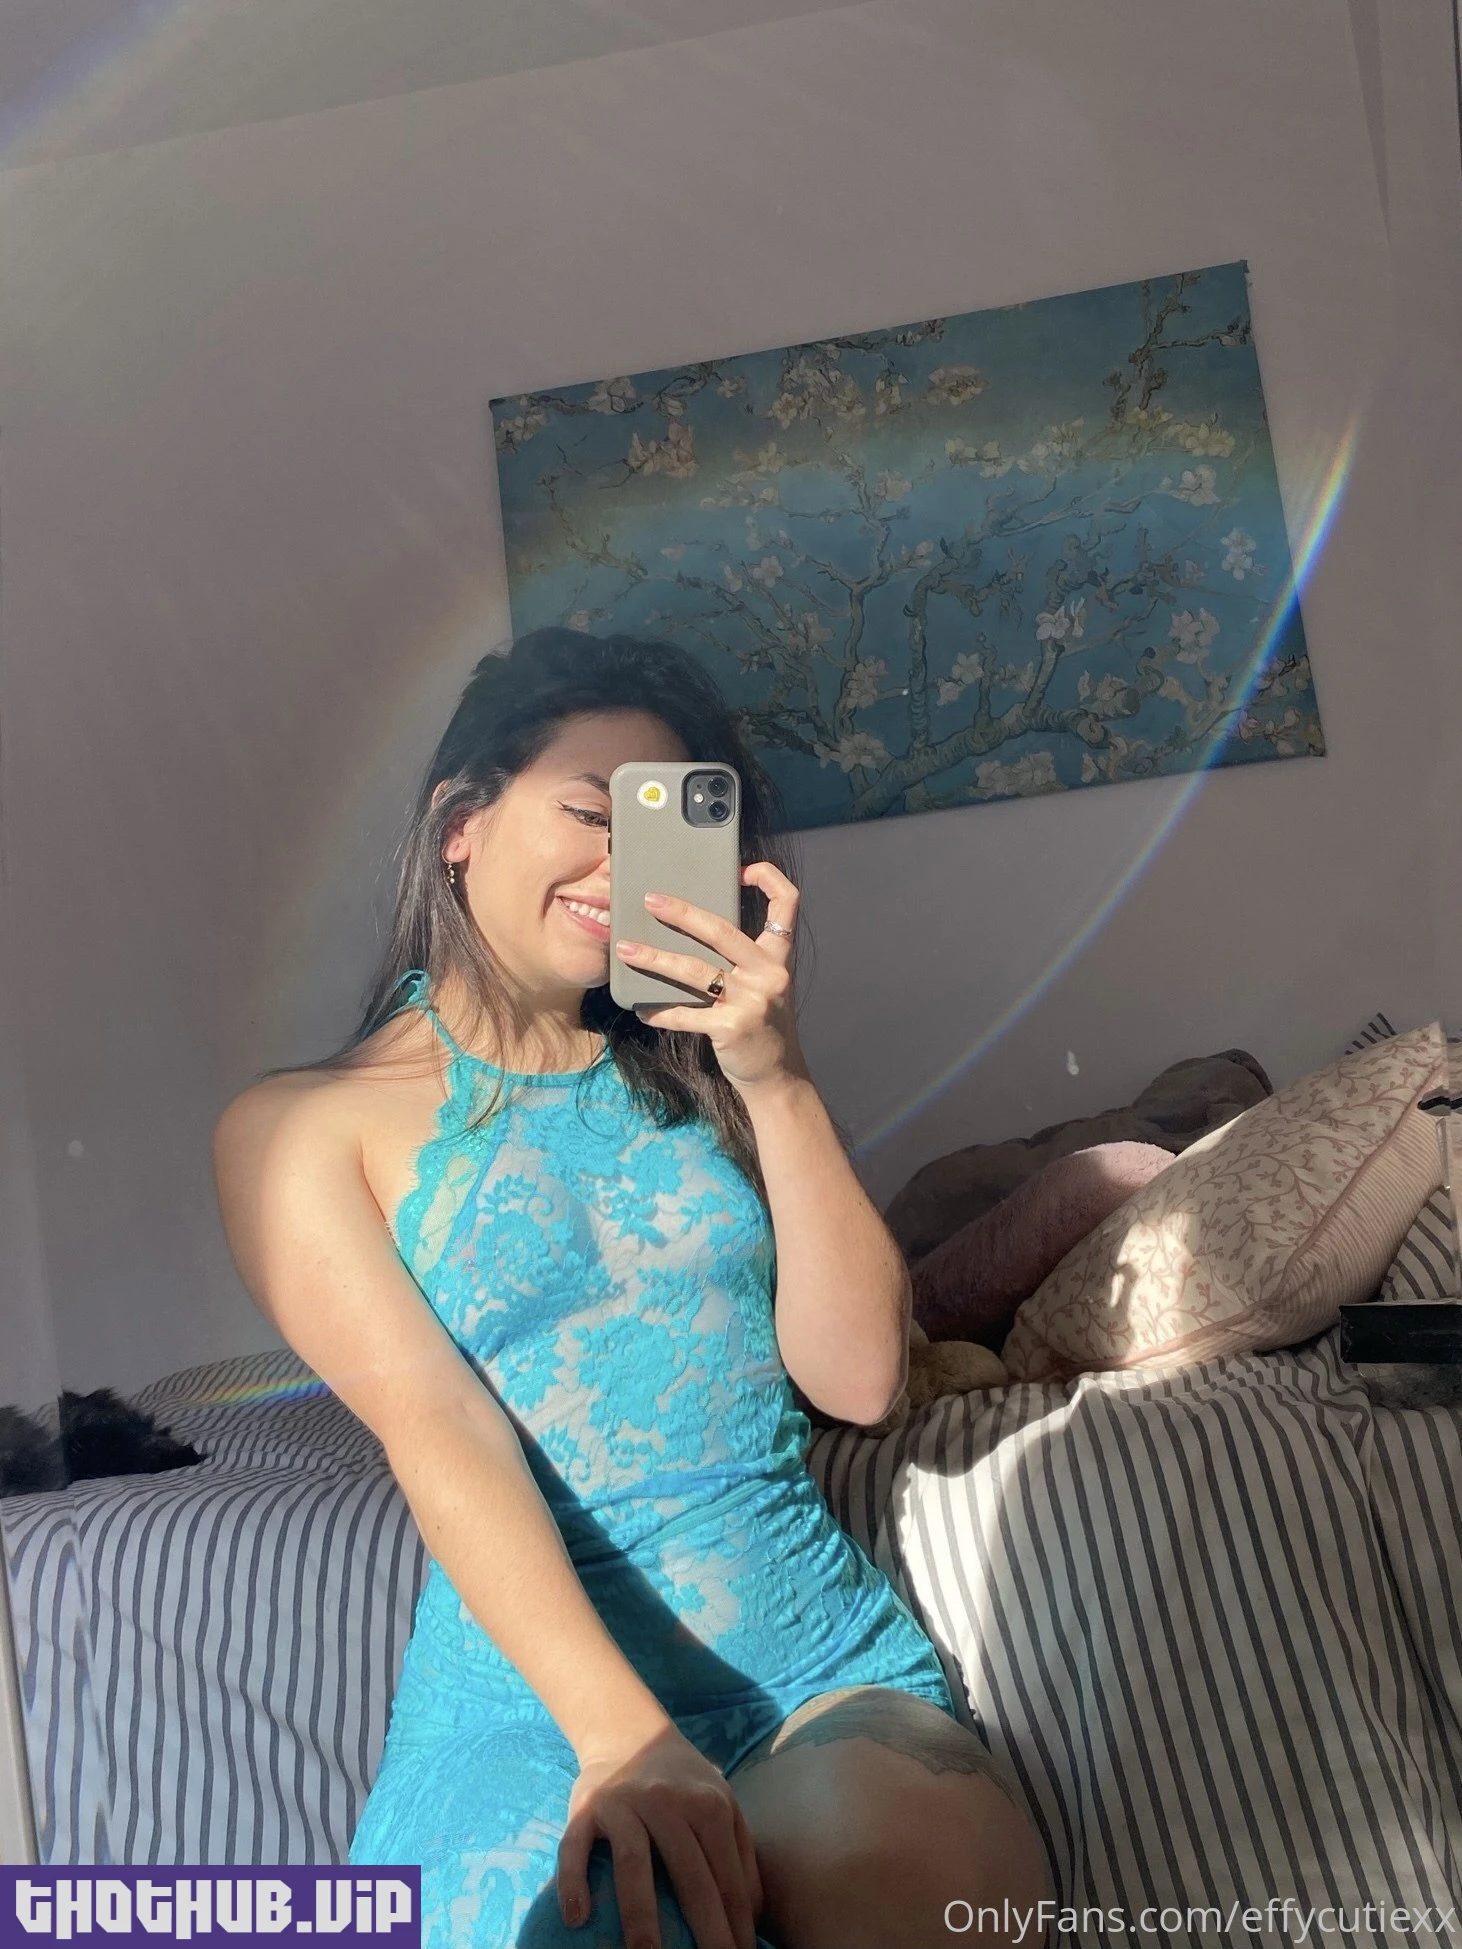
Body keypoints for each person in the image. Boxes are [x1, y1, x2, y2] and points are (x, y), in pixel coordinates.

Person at [212, 628, 1053, 1949]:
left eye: (661, 834)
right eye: (589, 816)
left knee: (920, 1905)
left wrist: (777, 1074)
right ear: (460, 824)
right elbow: (439, 1428)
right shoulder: (300, 1129)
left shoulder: (704, 1078)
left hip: (811, 1671)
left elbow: (858, 1382)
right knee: (597, 1928)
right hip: (525, 1710)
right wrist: (622, 1737)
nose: (621, 868)